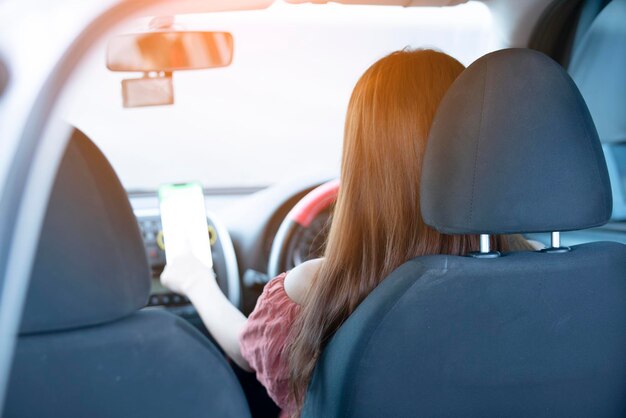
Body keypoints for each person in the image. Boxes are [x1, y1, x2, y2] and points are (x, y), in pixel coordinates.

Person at [161, 48, 535, 417]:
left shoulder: (315, 287)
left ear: (362, 167)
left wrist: (197, 281)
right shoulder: (542, 273)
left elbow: (247, 353)